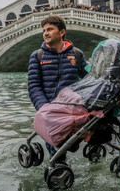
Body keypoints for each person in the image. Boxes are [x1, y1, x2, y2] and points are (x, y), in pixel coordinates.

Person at [27, 15, 88, 160]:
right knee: (57, 155)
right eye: (44, 30)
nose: (46, 33)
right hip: (50, 113)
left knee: (73, 145)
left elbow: (88, 80)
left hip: (72, 111)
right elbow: (34, 86)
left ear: (61, 32)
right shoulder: (37, 56)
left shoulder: (76, 54)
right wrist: (44, 109)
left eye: (50, 29)